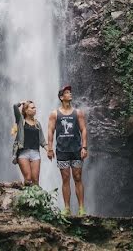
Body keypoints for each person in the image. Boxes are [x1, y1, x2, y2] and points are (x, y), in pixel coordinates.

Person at [46, 84, 88, 216]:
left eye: (70, 92)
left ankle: (81, 208)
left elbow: (83, 130)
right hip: (62, 150)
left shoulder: (78, 113)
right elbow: (50, 131)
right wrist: (50, 148)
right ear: (61, 97)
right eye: (67, 92)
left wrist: (84, 147)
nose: (70, 94)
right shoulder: (55, 114)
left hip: (76, 149)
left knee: (77, 177)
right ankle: (67, 208)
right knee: (65, 178)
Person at [12, 99, 46, 185]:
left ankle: (37, 198)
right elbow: (15, 106)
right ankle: (26, 198)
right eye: (32, 107)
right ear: (26, 110)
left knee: (35, 180)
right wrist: (22, 103)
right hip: (23, 153)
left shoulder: (37, 124)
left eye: (35, 107)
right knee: (28, 178)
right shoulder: (20, 121)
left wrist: (48, 149)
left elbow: (42, 140)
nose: (35, 109)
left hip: (35, 153)